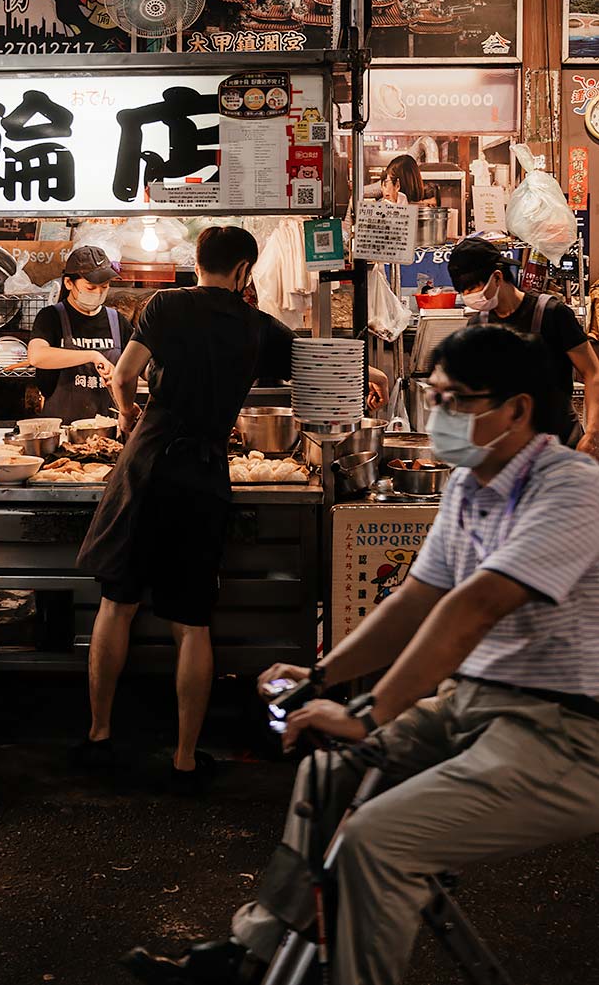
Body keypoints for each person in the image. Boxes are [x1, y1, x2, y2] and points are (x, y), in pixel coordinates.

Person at [123, 325, 599, 985]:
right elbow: (413, 600)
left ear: (518, 409)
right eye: (433, 397)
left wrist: (370, 712)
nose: (440, 416)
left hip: (566, 733)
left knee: (378, 840)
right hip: (471, 704)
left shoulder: (572, 486)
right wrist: (322, 676)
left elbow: (472, 606)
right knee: (325, 776)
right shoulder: (467, 485)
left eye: (457, 400)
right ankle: (252, 955)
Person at [75, 227, 295, 791]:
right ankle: (185, 758)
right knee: (192, 620)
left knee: (117, 602)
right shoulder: (258, 326)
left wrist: (127, 417)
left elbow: (123, 377)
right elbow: (318, 368)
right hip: (204, 470)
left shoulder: (166, 305)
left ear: (197, 262)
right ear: (245, 271)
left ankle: (99, 735)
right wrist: (371, 378)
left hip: (148, 462)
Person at [448, 235, 599, 459]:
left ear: (497, 277)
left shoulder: (551, 314)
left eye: (472, 288)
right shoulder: (478, 325)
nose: (469, 296)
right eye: (463, 291)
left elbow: (593, 372)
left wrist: (593, 433)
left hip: (559, 446)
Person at [28, 246, 133, 423]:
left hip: (108, 428)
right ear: (69, 283)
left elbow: (138, 367)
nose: (99, 293)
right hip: (62, 431)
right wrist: (92, 356)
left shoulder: (117, 321)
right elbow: (36, 356)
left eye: (104, 287)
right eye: (91, 287)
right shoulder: (51, 317)